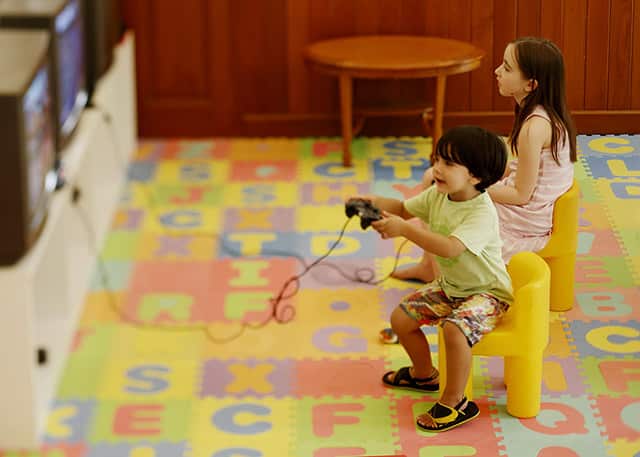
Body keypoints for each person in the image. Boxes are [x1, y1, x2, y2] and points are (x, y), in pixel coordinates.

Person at [381, 36, 576, 343]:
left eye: (507, 68)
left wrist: (473, 185)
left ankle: (448, 288)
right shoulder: (537, 114)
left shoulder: (533, 127)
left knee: (451, 205)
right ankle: (428, 266)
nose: (497, 71)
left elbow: (521, 195)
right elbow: (519, 173)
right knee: (436, 184)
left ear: (530, 84)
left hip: (527, 217)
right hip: (526, 203)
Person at [360, 125, 513, 432]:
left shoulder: (480, 213)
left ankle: (456, 402)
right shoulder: (440, 195)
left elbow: (450, 248)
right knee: (401, 319)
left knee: (454, 331)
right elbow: (403, 209)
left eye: (449, 163)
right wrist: (372, 202)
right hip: (452, 287)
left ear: (475, 176)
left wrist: (406, 230)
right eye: (438, 160)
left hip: (488, 293)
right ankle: (424, 375)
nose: (437, 168)